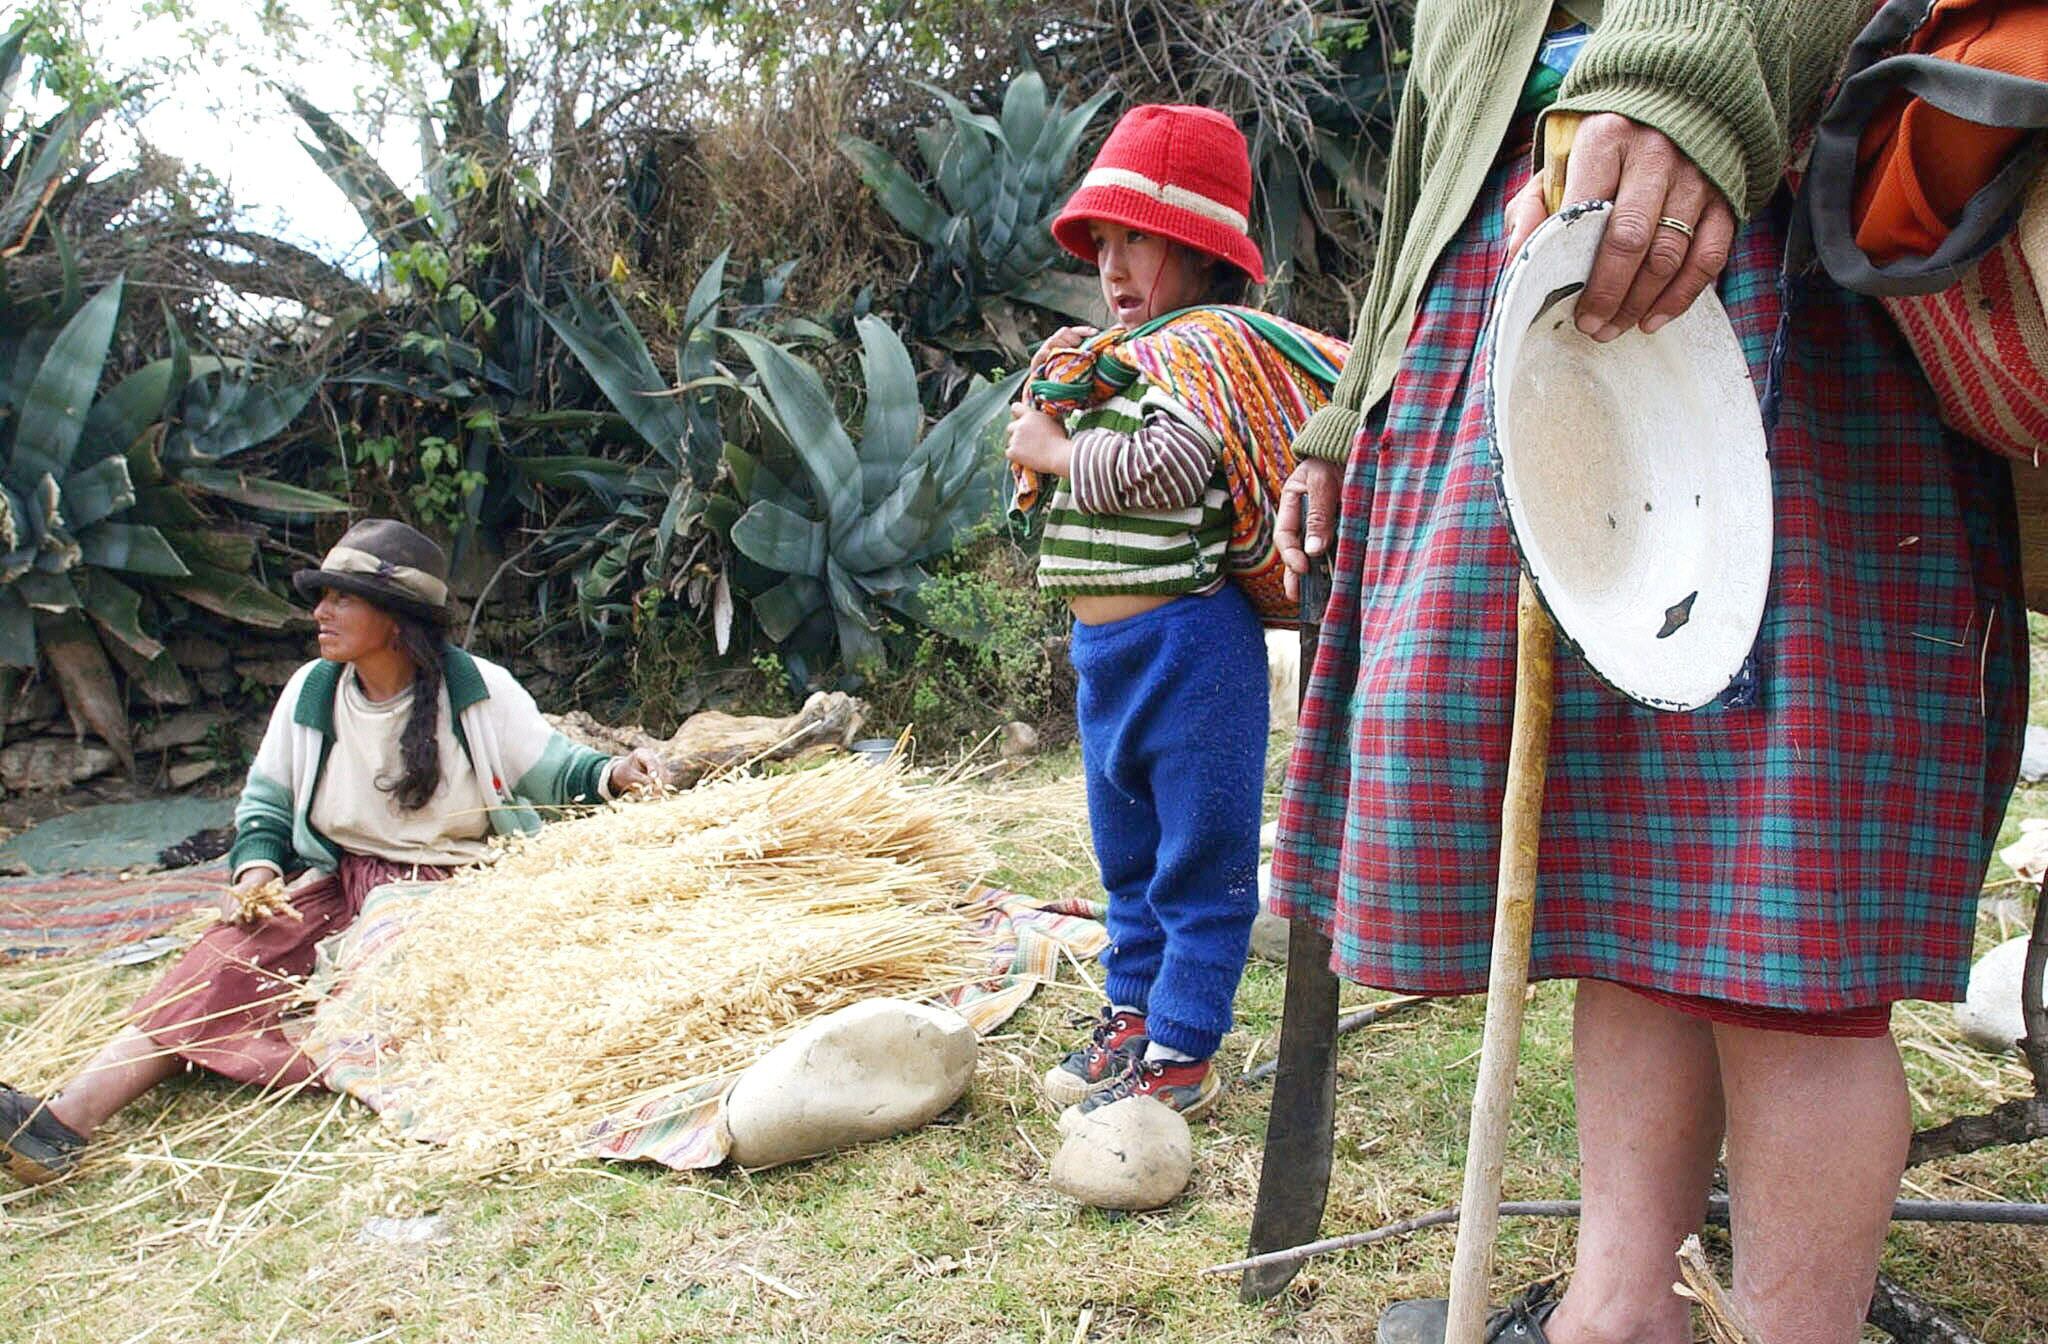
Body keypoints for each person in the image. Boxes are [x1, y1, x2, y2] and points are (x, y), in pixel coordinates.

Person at [1268, 4, 2026, 1342]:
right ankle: (1620, 1314)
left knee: (1794, 939)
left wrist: (1687, 82)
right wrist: (1351, 398)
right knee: (1628, 888)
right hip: (1524, 271)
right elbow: (1440, 131)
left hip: (1751, 234)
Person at [1, 519, 666, 1186]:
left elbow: (555, 770)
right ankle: (63, 1124)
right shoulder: (313, 689)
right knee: (223, 960)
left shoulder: (475, 689)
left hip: (445, 891)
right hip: (339, 879)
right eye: (324, 597)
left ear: (398, 618)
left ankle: (289, 1046)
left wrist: (613, 775)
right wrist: (258, 872)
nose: (321, 612)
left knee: (366, 1002)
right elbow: (265, 805)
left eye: (343, 598)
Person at [1006, 104, 1348, 1128]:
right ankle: (1131, 1013)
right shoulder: (1118, 355)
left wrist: (1057, 455)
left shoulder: (1196, 351)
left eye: (1137, 239)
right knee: (1125, 853)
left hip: (1191, 648)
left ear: (1201, 247)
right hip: (1105, 650)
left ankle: (1182, 1046)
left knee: (1196, 852)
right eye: (1102, 241)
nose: (1112, 264)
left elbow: (1169, 467)